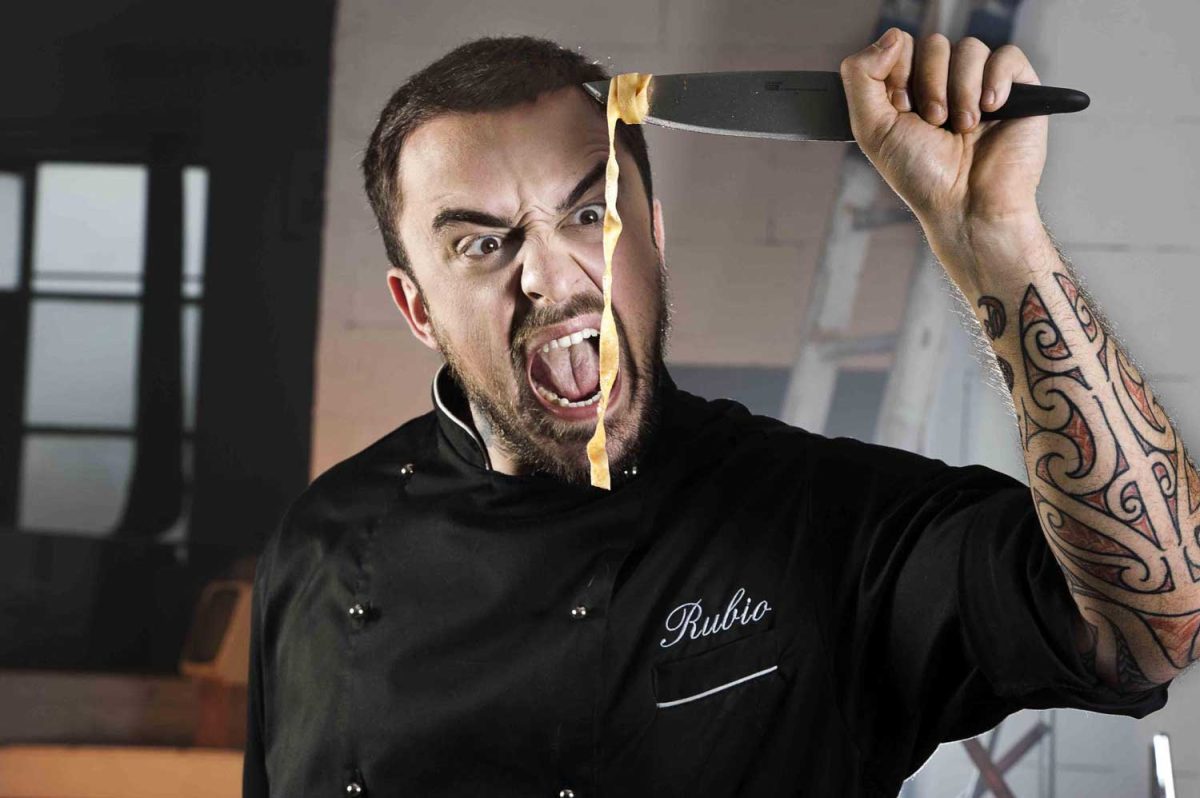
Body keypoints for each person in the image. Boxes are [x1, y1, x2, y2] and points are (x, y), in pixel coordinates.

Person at [243, 31, 1197, 798]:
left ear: (653, 239)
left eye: (590, 215)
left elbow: (1158, 622)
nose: (550, 278)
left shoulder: (820, 519)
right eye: (483, 244)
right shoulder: (323, 542)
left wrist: (996, 237)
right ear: (416, 308)